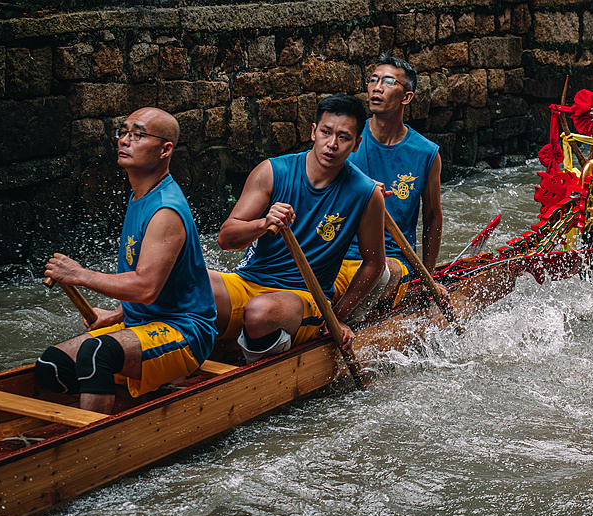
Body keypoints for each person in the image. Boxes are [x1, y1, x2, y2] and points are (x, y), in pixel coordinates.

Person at [35, 107, 217, 414]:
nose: (125, 141)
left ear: (165, 149)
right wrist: (118, 314)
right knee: (51, 367)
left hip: (185, 332)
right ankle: (132, 397)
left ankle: (94, 445)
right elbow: (155, 279)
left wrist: (78, 274)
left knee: (96, 354)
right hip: (141, 323)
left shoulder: (165, 211)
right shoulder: (139, 195)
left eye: (138, 134)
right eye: (123, 132)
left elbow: (146, 287)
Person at [209, 93, 385, 363]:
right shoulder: (271, 171)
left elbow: (374, 263)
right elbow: (226, 238)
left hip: (304, 296)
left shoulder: (366, 193)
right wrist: (263, 223)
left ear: (356, 144)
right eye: (326, 132)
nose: (332, 144)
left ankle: (250, 349)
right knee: (188, 282)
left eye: (343, 137)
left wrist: (336, 317)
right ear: (313, 131)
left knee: (259, 313)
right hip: (247, 282)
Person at [334, 53, 446, 322]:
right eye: (372, 80)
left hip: (392, 259)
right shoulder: (347, 140)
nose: (376, 87)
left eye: (387, 82)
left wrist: (426, 278)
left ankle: (345, 318)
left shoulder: (426, 153)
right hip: (339, 251)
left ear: (406, 97)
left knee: (386, 271)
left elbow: (432, 217)